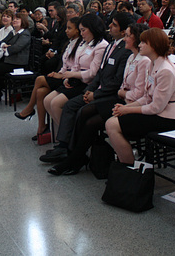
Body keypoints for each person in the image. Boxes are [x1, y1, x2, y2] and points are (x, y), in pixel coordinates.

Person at [48, 23, 150, 175]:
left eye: (128, 36)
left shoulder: (144, 61)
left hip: (130, 103)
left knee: (88, 116)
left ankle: (72, 159)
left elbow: (136, 93)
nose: (125, 38)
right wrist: (93, 90)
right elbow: (118, 81)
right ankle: (73, 156)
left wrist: (122, 93)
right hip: (122, 97)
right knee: (85, 114)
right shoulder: (131, 58)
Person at [40, 13, 129, 163]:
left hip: (96, 87)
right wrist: (69, 77)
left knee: (67, 106)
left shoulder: (104, 46)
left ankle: (69, 147)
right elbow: (97, 72)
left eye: (83, 30)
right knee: (48, 98)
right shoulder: (100, 45)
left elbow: (98, 75)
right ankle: (65, 144)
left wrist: (93, 91)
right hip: (87, 83)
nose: (110, 27)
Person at [105, 28, 175, 166]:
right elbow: (147, 96)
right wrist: (126, 107)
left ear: (154, 45)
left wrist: (128, 110)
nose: (139, 45)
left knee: (112, 125)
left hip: (169, 118)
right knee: (112, 120)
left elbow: (156, 107)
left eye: (143, 42)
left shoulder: (166, 70)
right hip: (158, 113)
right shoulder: (152, 63)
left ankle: (127, 167)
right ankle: (126, 163)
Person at [14, 17, 83, 139]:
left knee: (40, 79)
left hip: (71, 79)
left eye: (69, 28)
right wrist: (58, 72)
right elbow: (65, 63)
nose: (66, 31)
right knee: (41, 92)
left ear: (78, 30)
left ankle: (30, 108)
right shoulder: (70, 42)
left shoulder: (80, 44)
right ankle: (41, 127)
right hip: (63, 74)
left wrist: (60, 74)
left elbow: (74, 67)